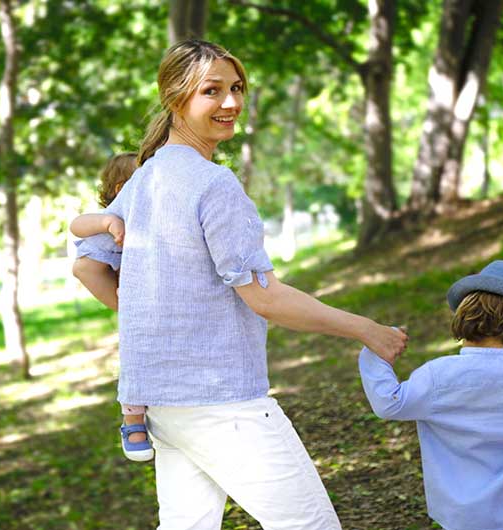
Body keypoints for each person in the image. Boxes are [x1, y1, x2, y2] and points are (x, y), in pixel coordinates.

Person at [72, 39, 407, 530]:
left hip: (161, 402)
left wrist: (149, 317)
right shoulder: (214, 185)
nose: (231, 103)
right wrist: (366, 329)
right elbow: (265, 297)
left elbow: (88, 266)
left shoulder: (143, 180)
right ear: (174, 97)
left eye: (236, 88)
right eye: (212, 91)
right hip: (221, 400)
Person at [359, 260, 503, 530]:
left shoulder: (438, 376)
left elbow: (388, 404)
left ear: (463, 315)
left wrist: (374, 352)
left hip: (464, 517)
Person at [69, 152, 155, 462]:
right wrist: (108, 221)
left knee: (149, 354)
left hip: (148, 295)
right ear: (123, 189)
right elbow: (76, 225)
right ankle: (132, 421)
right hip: (122, 292)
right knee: (134, 356)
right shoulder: (109, 220)